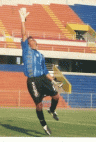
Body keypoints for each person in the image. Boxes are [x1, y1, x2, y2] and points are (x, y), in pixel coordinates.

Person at [19, 8, 62, 136]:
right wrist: (23, 20)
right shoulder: (26, 50)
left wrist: (54, 80)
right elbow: (23, 34)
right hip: (32, 80)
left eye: (31, 39)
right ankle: (44, 125)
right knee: (38, 105)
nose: (29, 40)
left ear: (35, 43)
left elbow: (45, 71)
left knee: (56, 96)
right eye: (28, 39)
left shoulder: (41, 55)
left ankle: (52, 110)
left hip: (43, 78)